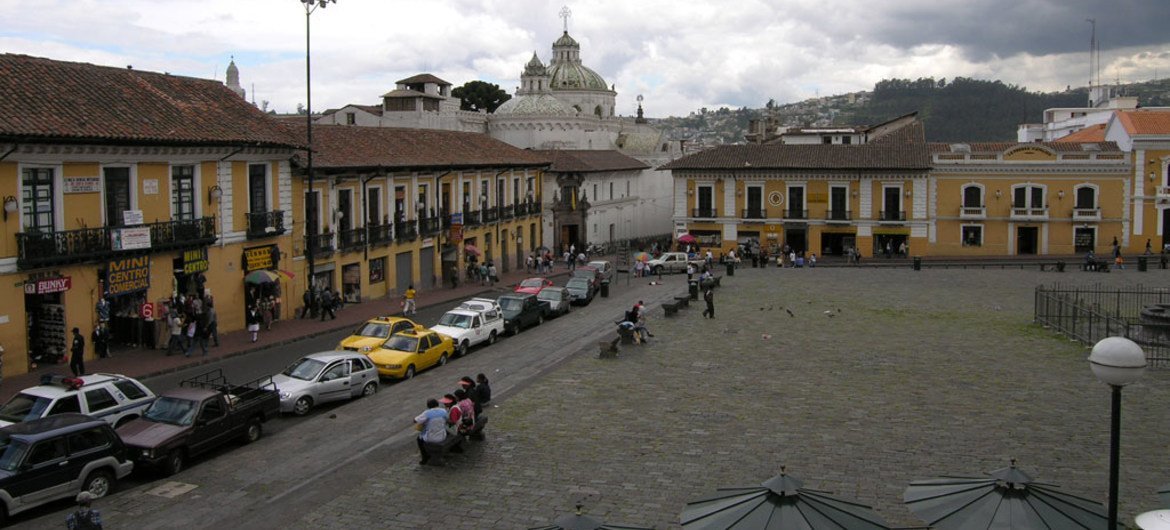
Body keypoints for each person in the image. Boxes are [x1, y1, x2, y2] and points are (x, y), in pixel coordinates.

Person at [413, 398, 448, 465]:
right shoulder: (443, 411)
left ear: (428, 406)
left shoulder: (427, 413)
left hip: (431, 437)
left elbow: (415, 420)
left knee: (419, 439)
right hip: (442, 435)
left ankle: (425, 458)